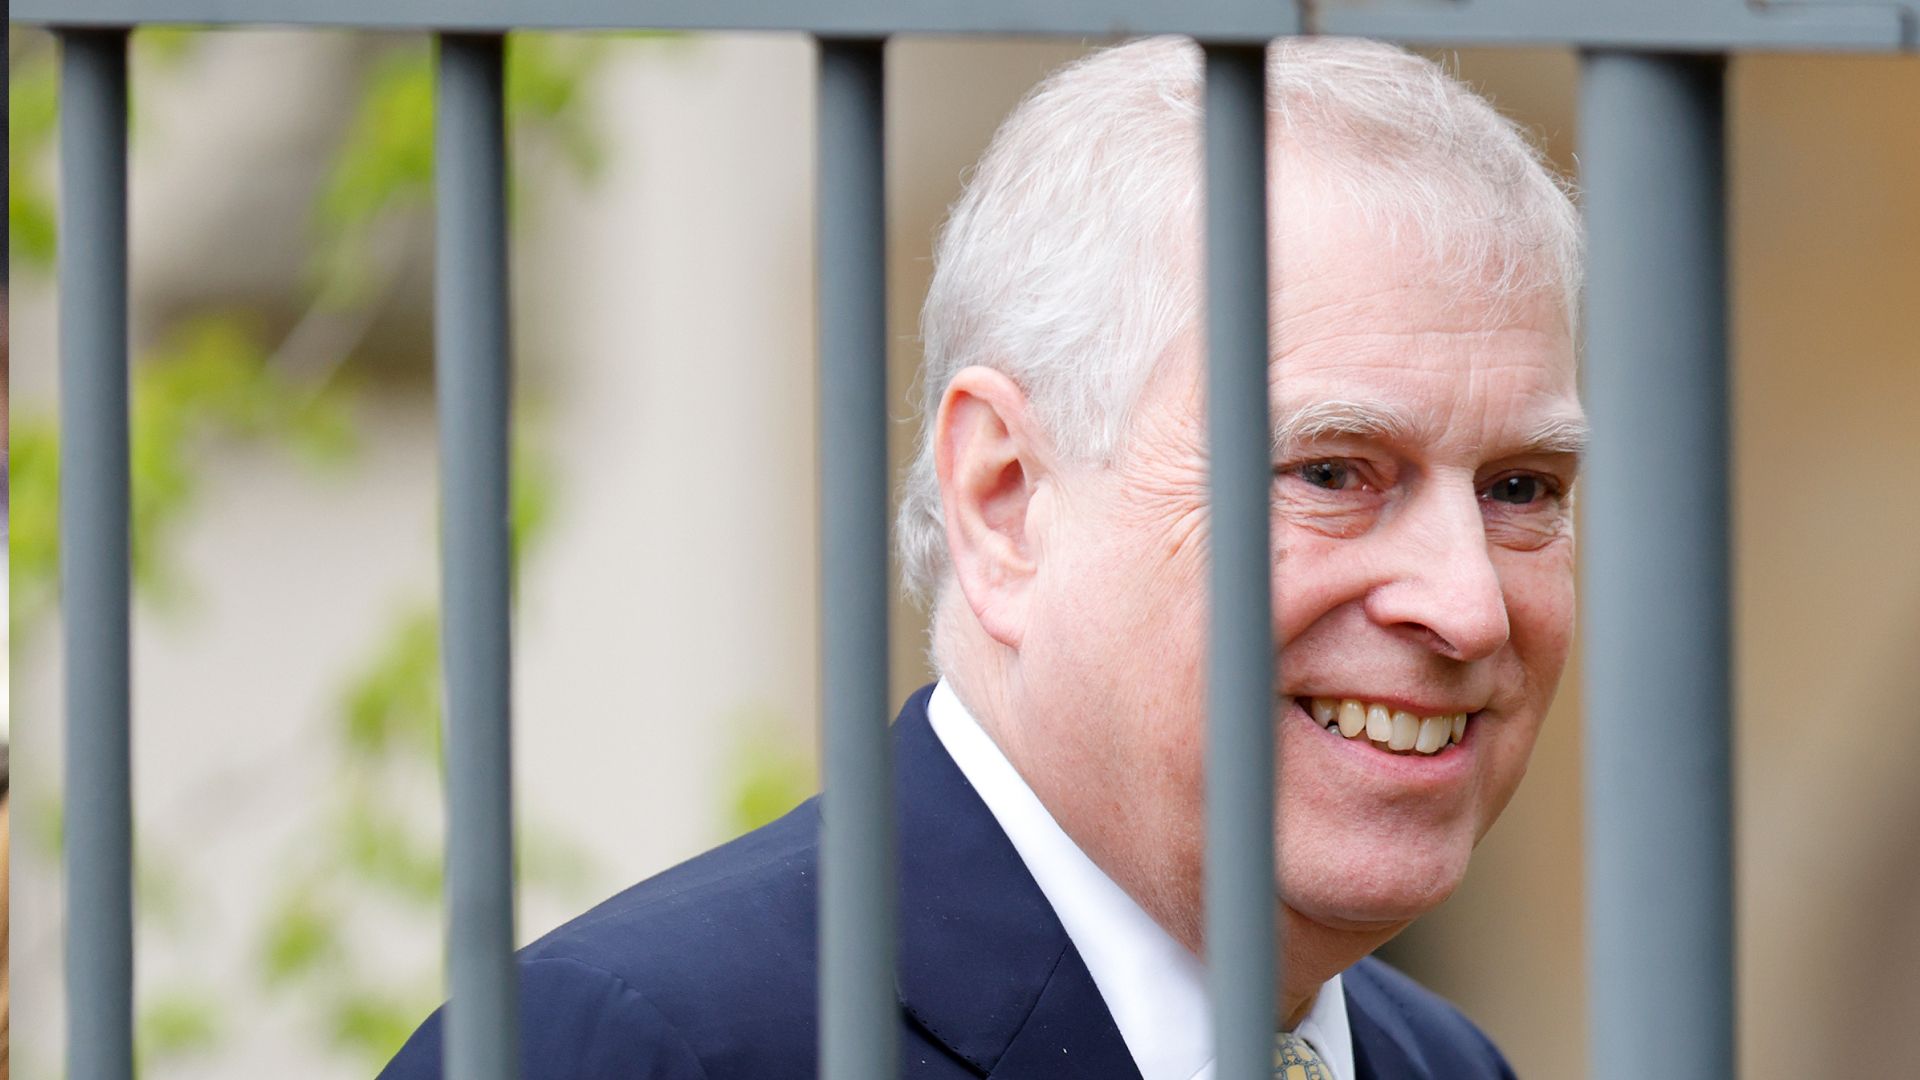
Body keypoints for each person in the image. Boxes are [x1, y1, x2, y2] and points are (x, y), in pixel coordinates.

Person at [383, 35, 1583, 1080]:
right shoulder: (630, 1050)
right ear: (1005, 498)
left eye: (1521, 489)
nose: (1468, 606)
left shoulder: (1440, 1064)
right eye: (1331, 472)